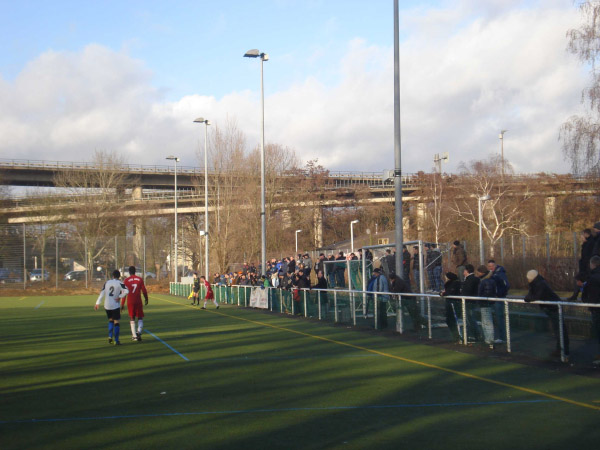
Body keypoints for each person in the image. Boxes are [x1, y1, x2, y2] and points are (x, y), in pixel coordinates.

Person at [524, 269, 570, 361]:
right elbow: (531, 295)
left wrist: (528, 298)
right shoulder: (536, 283)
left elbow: (536, 296)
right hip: (550, 308)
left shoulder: (541, 284)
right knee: (558, 330)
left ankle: (564, 352)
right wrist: (528, 297)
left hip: (554, 308)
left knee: (560, 330)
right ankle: (560, 350)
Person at [94, 270, 129, 345]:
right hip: (115, 305)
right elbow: (126, 291)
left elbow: (102, 293)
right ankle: (116, 340)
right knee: (116, 322)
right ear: (119, 276)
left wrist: (97, 303)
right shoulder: (120, 283)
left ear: (112, 276)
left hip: (107, 305)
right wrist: (120, 297)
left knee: (110, 320)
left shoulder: (107, 282)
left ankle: (110, 337)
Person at [122, 266, 149, 342]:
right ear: (135, 271)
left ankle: (134, 336)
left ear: (129, 272)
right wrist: (146, 298)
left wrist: (122, 304)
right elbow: (144, 290)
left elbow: (124, 293)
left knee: (132, 317)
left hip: (130, 301)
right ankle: (139, 332)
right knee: (140, 317)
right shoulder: (140, 279)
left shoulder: (126, 280)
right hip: (138, 301)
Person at [569, 229, 595, 300]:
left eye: (582, 235)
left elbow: (586, 257)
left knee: (580, 279)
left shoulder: (589, 244)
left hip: (586, 267)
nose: (581, 237)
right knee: (579, 279)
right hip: (586, 266)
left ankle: (576, 295)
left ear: (585, 234)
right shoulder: (589, 242)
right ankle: (575, 295)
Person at [583, 256, 600, 365]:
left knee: (597, 331)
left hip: (596, 309)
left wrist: (587, 301)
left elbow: (586, 294)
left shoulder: (592, 278)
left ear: (592, 264)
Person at [488, 259, 509, 344]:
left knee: (500, 317)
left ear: (495, 266)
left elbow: (506, 285)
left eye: (492, 266)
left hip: (499, 299)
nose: (491, 268)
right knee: (497, 317)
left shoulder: (500, 274)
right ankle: (501, 336)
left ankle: (502, 337)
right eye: (489, 266)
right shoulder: (493, 274)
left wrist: (499, 294)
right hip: (495, 298)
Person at [476, 265, 497, 349]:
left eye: (478, 272)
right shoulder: (487, 280)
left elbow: (487, 293)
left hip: (486, 303)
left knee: (487, 322)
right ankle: (487, 339)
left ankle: (490, 340)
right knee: (485, 322)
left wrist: (481, 299)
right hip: (485, 303)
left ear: (482, 272)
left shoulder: (486, 281)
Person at [461, 264, 481, 342]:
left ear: (467, 271)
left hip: (469, 301)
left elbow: (467, 291)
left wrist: (461, 292)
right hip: (472, 301)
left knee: (470, 319)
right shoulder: (474, 279)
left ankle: (474, 335)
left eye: (464, 270)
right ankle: (473, 335)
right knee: (470, 319)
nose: (463, 272)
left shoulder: (470, 279)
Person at [441, 272, 462, 342]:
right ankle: (455, 336)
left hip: (453, 304)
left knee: (452, 320)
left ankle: (457, 336)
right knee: (449, 320)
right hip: (450, 304)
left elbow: (449, 292)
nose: (445, 279)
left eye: (446, 277)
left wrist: (443, 293)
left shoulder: (455, 284)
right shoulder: (449, 284)